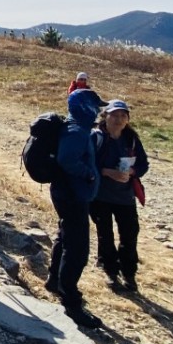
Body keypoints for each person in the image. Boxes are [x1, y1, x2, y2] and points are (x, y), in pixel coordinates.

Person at [45, 88, 108, 328]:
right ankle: (71, 300)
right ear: (85, 107)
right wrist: (88, 174)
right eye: (96, 106)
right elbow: (67, 159)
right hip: (72, 194)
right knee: (78, 249)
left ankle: (55, 280)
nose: (99, 111)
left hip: (68, 193)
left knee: (65, 237)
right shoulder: (77, 131)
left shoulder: (75, 127)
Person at [89, 100, 149, 292]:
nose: (119, 119)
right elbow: (86, 163)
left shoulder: (131, 139)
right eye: (114, 115)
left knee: (130, 235)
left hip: (125, 197)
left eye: (123, 115)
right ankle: (111, 272)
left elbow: (143, 164)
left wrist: (132, 171)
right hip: (100, 196)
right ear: (105, 116)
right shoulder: (95, 137)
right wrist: (107, 172)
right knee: (105, 235)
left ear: (127, 119)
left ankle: (129, 273)